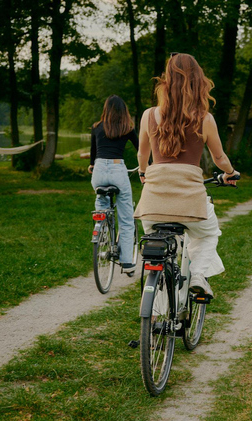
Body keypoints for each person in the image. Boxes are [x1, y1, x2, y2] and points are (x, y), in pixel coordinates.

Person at [135, 53, 240, 299]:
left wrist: (143, 173)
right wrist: (230, 173)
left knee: (157, 251)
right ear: (198, 82)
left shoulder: (149, 115)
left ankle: (157, 313)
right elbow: (220, 158)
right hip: (190, 203)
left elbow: (142, 154)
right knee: (208, 234)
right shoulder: (205, 118)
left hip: (152, 203)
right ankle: (199, 276)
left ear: (165, 81)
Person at [89, 95, 140, 274]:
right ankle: (127, 263)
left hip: (98, 171)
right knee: (126, 218)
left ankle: (101, 230)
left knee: (101, 205)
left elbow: (93, 154)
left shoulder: (96, 127)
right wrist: (146, 166)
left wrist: (91, 166)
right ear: (123, 111)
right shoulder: (127, 128)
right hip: (118, 169)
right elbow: (141, 149)